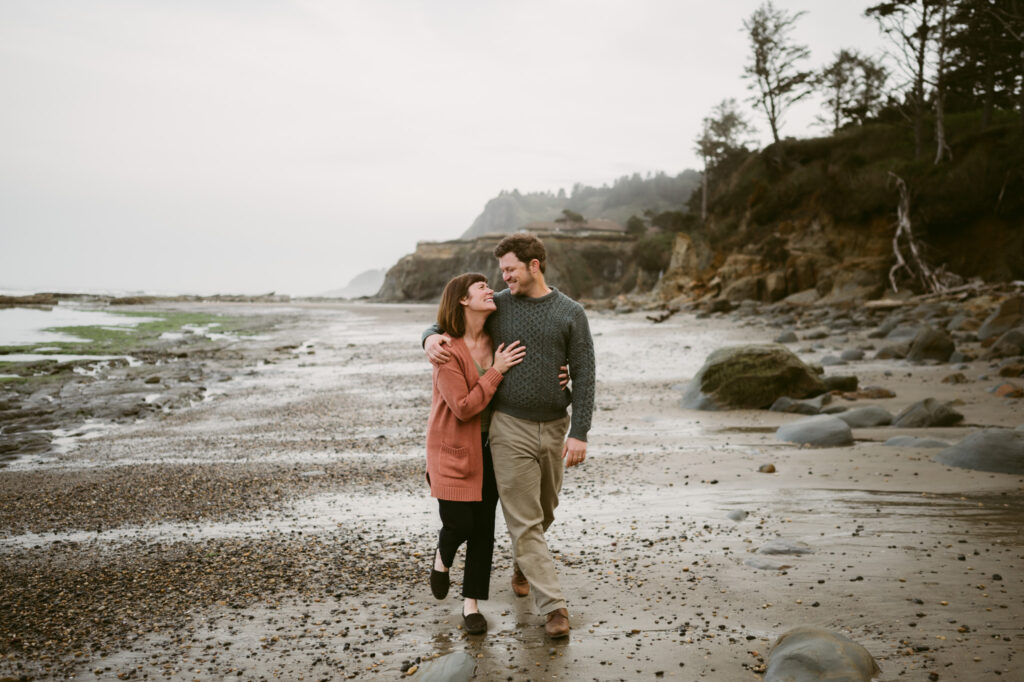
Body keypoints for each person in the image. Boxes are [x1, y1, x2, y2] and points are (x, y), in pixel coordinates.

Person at [423, 233, 596, 639]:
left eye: (510, 270)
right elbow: (451, 317)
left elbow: (585, 372)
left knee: (545, 511)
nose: (504, 278)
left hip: (554, 426)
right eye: (501, 271)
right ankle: (554, 608)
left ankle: (524, 562)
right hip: (508, 426)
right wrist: (430, 337)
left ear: (534, 266)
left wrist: (580, 430)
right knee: (524, 522)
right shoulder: (499, 304)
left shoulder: (571, 313)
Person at [425, 272, 526, 635]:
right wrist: (496, 372)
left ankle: (471, 606)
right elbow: (464, 407)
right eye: (481, 287)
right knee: (459, 524)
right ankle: (441, 559)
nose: (490, 289)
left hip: (492, 447)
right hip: (450, 450)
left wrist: (560, 376)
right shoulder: (445, 350)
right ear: (463, 301)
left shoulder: (497, 335)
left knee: (483, 529)